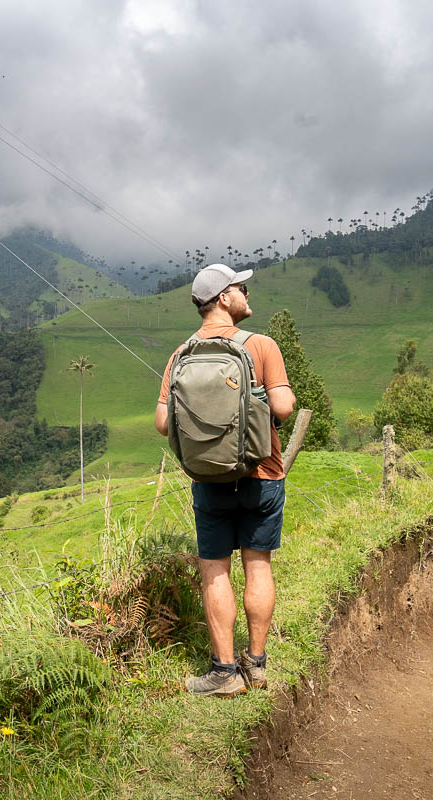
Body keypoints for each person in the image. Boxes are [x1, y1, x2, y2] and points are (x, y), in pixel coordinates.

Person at [154, 263, 295, 697]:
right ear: (223, 299)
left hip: (209, 479)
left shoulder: (181, 355)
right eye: (240, 287)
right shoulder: (261, 345)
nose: (246, 293)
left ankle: (224, 672)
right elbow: (285, 408)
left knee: (214, 571)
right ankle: (256, 664)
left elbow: (162, 423)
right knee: (259, 566)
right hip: (261, 474)